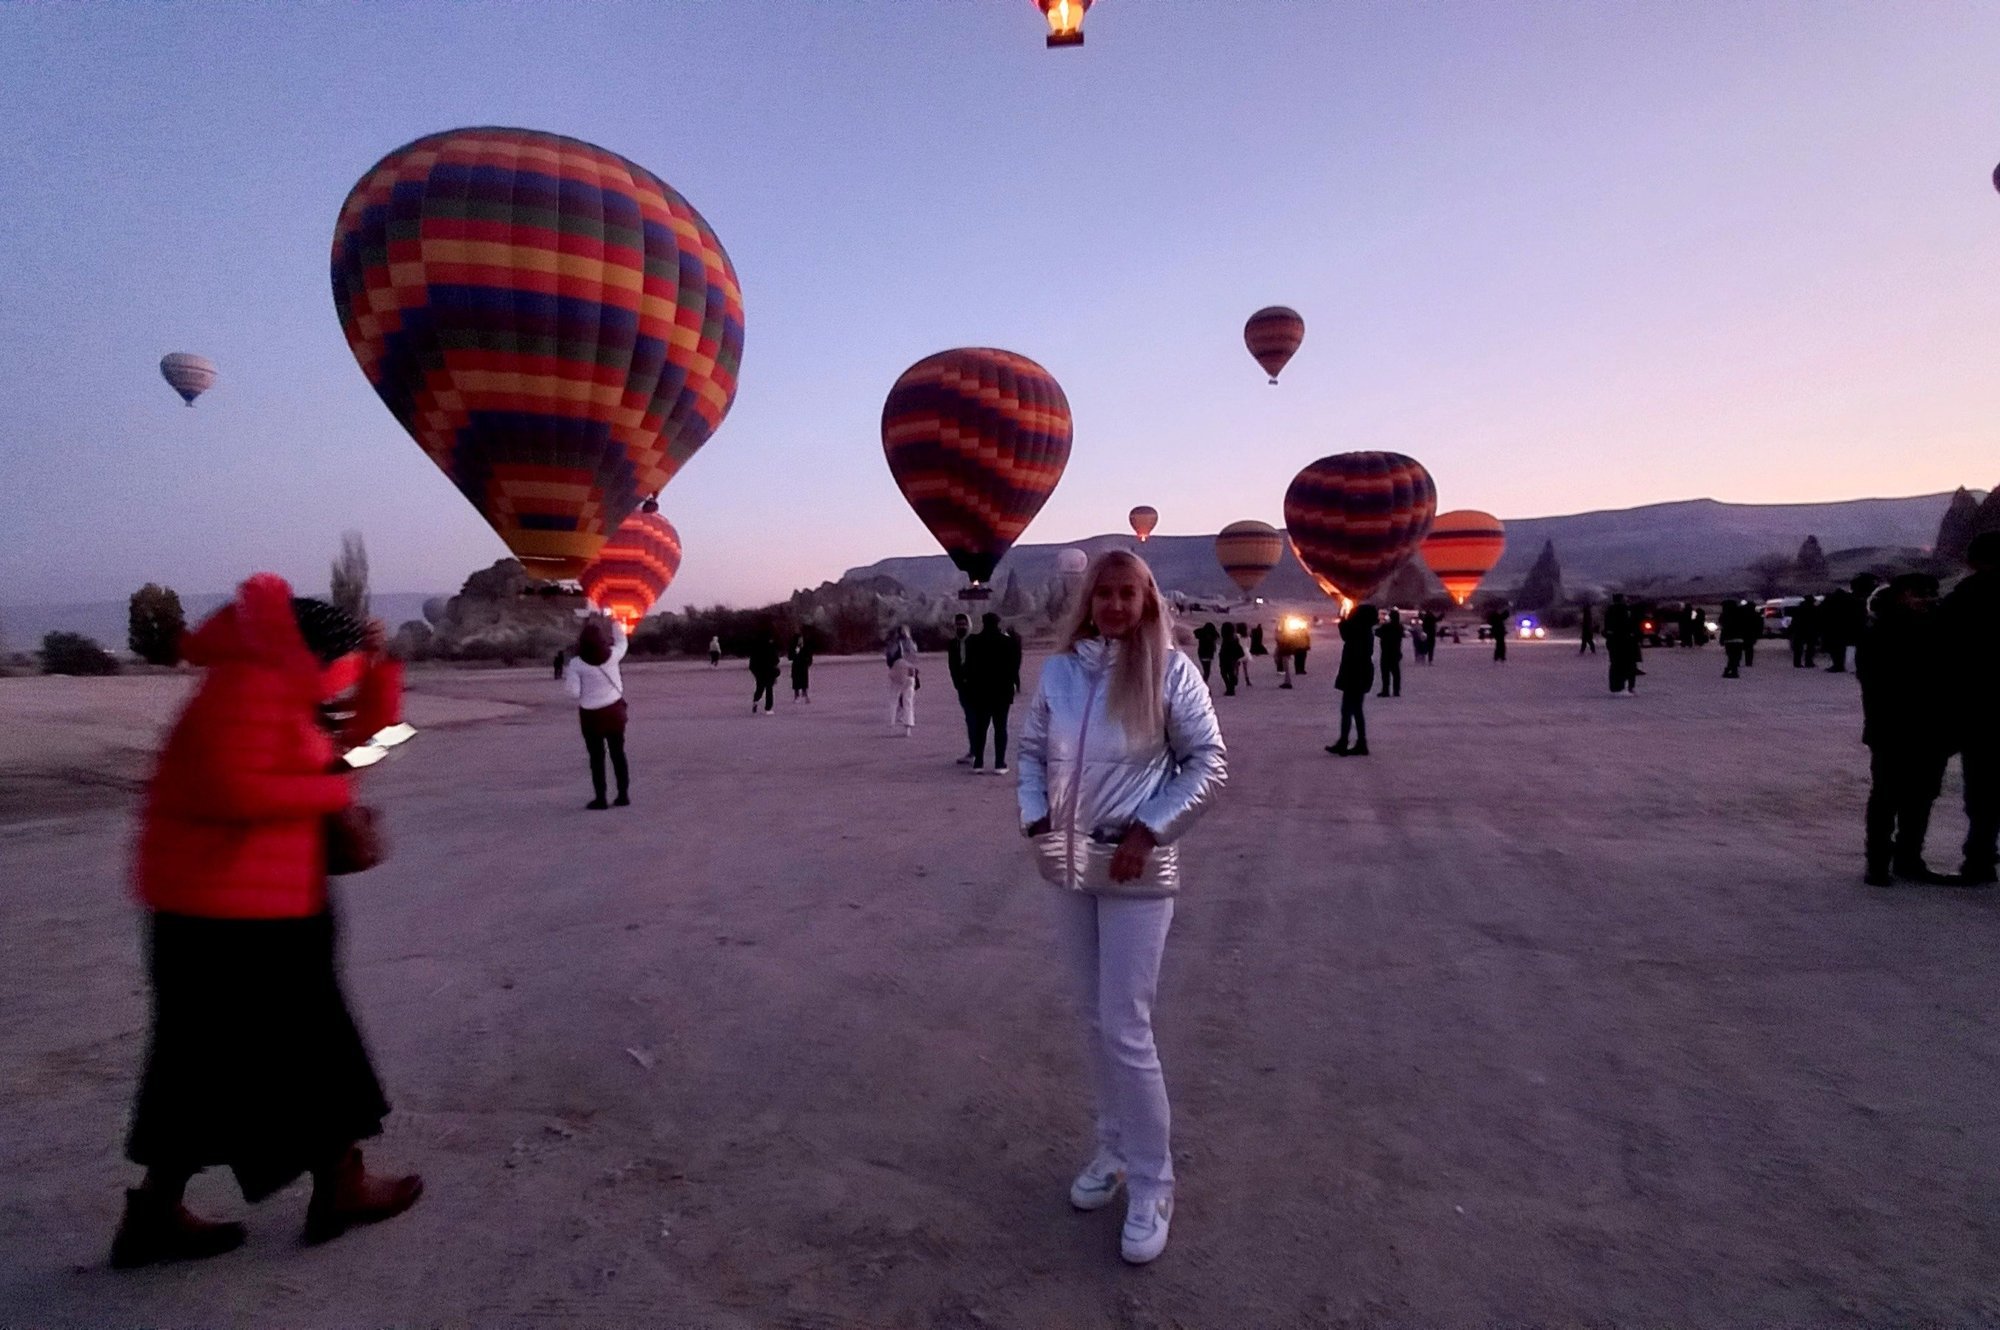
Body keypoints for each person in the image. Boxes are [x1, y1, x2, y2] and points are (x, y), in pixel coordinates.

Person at [114, 576, 421, 1269]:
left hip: (255, 909)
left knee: (205, 1068)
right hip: (228, 919)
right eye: (344, 663)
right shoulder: (246, 691)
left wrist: (382, 670)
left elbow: (370, 748)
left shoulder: (289, 701)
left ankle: (159, 1213)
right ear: (311, 653)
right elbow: (229, 786)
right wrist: (329, 789)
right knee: (310, 1051)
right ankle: (337, 1186)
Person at [1015, 550, 1226, 1266]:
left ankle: (1154, 1182)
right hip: (1069, 867)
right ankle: (1111, 1149)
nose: (1112, 605)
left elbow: (1208, 761)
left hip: (1139, 868)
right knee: (1093, 1018)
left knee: (1128, 1026)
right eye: (1101, 594)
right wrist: (1035, 822)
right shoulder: (1061, 672)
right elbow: (1032, 754)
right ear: (1087, 600)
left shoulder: (1171, 671)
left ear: (1147, 599)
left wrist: (1150, 829)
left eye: (1126, 594)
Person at [1858, 574, 1959, 885]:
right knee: (1887, 797)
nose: (1926, 599)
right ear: (1901, 595)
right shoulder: (1880, 633)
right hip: (1893, 730)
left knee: (1921, 798)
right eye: (1919, 593)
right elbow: (1877, 685)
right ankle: (1877, 862)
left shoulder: (1941, 629)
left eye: (1931, 593)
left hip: (1932, 731)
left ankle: (1909, 858)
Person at [1941, 531, 2000, 885]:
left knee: (1984, 789)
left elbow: (1943, 650)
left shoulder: (1968, 596)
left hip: (1982, 709)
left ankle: (1979, 860)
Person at [564, 614, 631, 806]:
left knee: (596, 757)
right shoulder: (613, 656)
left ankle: (601, 798)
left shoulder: (577, 664)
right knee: (618, 753)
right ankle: (623, 795)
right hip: (614, 712)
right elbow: (622, 642)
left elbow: (573, 693)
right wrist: (617, 624)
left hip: (591, 716)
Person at [963, 612, 1022, 772]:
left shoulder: (972, 641)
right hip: (1002, 691)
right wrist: (1015, 684)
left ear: (983, 623)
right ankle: (999, 763)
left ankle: (979, 762)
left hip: (980, 690)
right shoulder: (1008, 642)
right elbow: (1013, 667)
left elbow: (967, 667)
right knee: (1000, 727)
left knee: (981, 727)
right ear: (998, 623)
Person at [1327, 604, 1378, 755]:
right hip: (1360, 672)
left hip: (1354, 672)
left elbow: (1346, 635)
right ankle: (1358, 742)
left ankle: (1347, 742)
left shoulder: (1359, 629)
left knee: (1349, 709)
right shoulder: (1366, 629)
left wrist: (1343, 621)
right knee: (1355, 709)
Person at [947, 613, 979, 765]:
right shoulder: (953, 644)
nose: (961, 627)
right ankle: (974, 750)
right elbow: (952, 665)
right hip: (963, 689)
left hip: (978, 687)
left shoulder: (976, 642)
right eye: (958, 624)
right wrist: (958, 683)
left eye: (963, 624)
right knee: (970, 719)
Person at [886, 627, 920, 736]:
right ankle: (908, 728)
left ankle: (891, 725)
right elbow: (916, 659)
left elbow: (889, 657)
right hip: (910, 672)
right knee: (908, 700)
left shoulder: (895, 643)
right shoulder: (912, 645)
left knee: (893, 698)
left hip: (898, 671)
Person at [1605, 593, 1640, 694]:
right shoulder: (1625, 610)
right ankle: (1628, 686)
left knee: (1615, 664)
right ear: (1621, 599)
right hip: (1625, 641)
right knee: (1628, 664)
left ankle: (1616, 687)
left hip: (1614, 642)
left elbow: (1607, 627)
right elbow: (1630, 625)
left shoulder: (1609, 610)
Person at [747, 633, 782, 715]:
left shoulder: (755, 648)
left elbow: (752, 663)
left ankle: (756, 700)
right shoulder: (771, 647)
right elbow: (776, 660)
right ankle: (768, 708)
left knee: (760, 688)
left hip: (759, 671)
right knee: (769, 689)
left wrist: (754, 672)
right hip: (769, 670)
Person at [1377, 609, 1405, 697]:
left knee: (1385, 673)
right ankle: (1396, 690)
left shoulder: (1386, 627)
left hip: (1386, 651)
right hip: (1396, 651)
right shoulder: (1399, 627)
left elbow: (1377, 632)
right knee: (1396, 672)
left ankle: (1386, 690)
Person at [1719, 599, 1748, 678]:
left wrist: (1722, 639)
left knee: (1731, 656)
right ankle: (1731, 670)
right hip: (1739, 638)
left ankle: (1730, 670)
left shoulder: (1725, 614)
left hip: (1728, 638)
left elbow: (1723, 627)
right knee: (1736, 656)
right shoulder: (1740, 613)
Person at [1790, 595, 1820, 668]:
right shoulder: (1813, 609)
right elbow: (1817, 620)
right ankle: (1808, 662)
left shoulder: (1799, 608)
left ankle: (1797, 662)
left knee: (1798, 648)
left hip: (1799, 630)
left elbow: (1794, 620)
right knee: (1810, 647)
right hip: (1810, 630)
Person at [788, 631, 815, 703]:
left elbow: (809, 656)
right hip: (796, 666)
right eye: (799, 639)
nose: (801, 640)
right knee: (796, 681)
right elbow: (790, 657)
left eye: (801, 639)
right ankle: (796, 696)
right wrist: (795, 652)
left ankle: (805, 695)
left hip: (803, 666)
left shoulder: (806, 646)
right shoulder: (793, 647)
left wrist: (808, 663)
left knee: (804, 681)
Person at [1217, 621, 1244, 696]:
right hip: (1232, 658)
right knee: (1230, 673)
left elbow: (1223, 648)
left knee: (1224, 673)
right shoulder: (1234, 638)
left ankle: (1230, 688)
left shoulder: (1226, 639)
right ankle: (1231, 687)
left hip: (1225, 658)